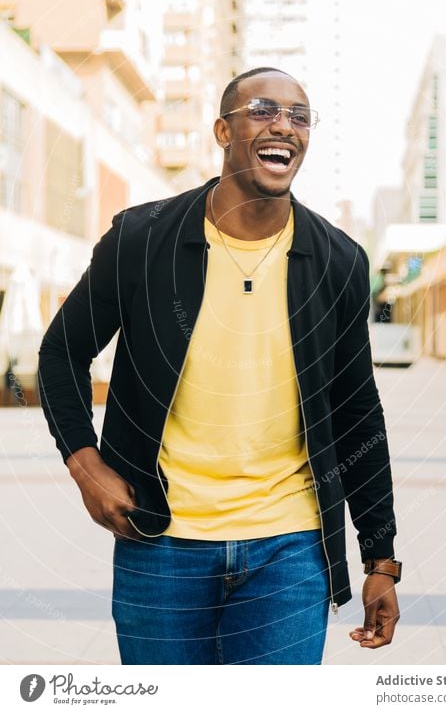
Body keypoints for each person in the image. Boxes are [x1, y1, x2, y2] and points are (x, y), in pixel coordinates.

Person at [38, 67, 400, 665]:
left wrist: (380, 558)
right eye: (262, 109)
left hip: (290, 547)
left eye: (299, 115)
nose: (283, 123)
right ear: (223, 130)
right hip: (160, 541)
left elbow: (357, 412)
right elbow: (61, 353)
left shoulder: (338, 261)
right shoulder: (142, 238)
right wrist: (86, 465)